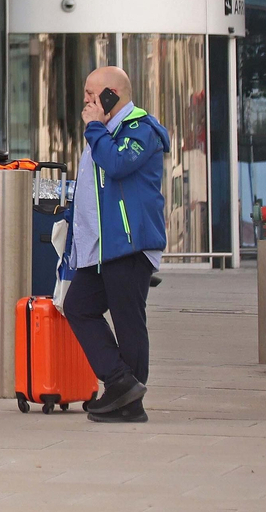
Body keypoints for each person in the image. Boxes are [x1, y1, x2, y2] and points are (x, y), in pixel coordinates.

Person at [64, 66, 169, 424]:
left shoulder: (140, 129)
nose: (86, 103)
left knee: (128, 321)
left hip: (129, 242)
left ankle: (129, 401)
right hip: (100, 248)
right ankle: (120, 383)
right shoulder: (105, 133)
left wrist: (95, 128)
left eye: (92, 96)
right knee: (77, 305)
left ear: (112, 95)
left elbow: (118, 164)